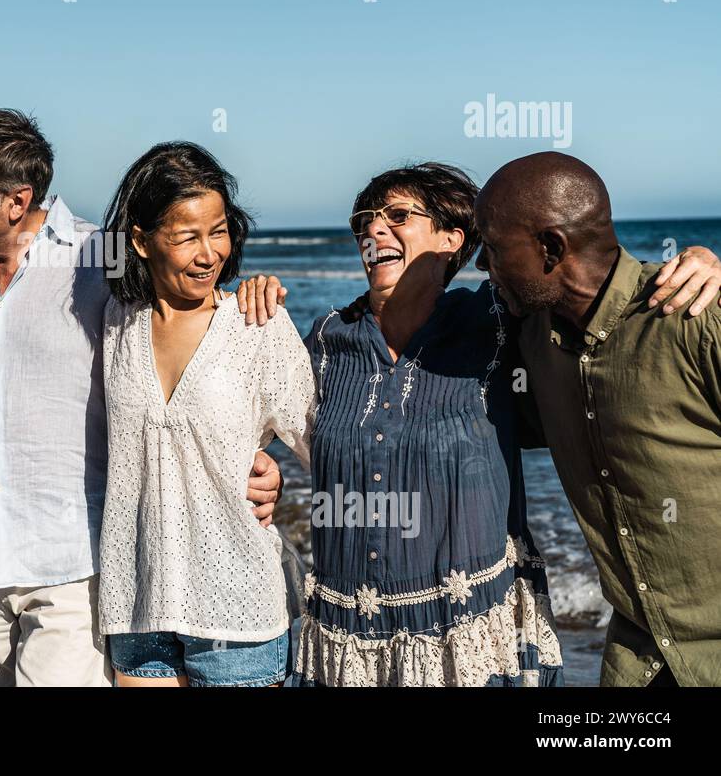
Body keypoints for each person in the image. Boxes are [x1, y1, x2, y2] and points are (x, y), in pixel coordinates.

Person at [0, 109, 283, 687]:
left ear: (17, 200)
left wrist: (255, 460)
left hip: (73, 560)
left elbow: (190, 315)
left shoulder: (101, 260)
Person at [293, 164, 563, 686]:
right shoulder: (326, 338)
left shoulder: (496, 319)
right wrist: (263, 469)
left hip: (465, 645)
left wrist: (695, 266)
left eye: (397, 216)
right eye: (364, 222)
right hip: (348, 646)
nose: (373, 231)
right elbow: (255, 419)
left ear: (450, 239)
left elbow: (587, 291)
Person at [475, 151, 721, 686]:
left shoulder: (694, 316)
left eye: (492, 248)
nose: (481, 266)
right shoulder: (532, 341)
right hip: (638, 657)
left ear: (551, 247)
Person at [97, 142, 314, 687]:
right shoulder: (114, 322)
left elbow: (325, 442)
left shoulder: (256, 325)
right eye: (186, 236)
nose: (208, 253)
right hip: (136, 601)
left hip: (237, 611)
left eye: (218, 231)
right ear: (142, 242)